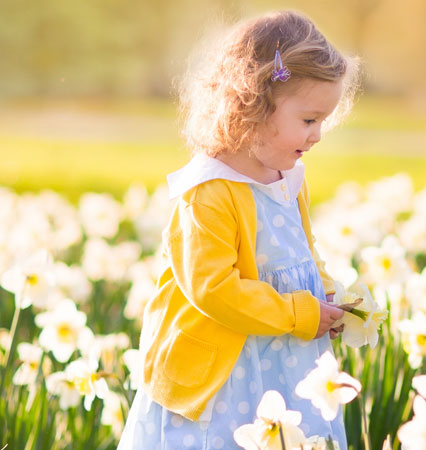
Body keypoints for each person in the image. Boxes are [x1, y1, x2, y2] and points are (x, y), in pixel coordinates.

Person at [119, 10, 360, 449]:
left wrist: (324, 292)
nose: (319, 134)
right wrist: (299, 314)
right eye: (309, 120)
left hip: (288, 363)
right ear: (254, 104)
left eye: (323, 120)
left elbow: (303, 253)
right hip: (223, 381)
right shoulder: (209, 191)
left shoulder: (290, 179)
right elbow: (213, 291)